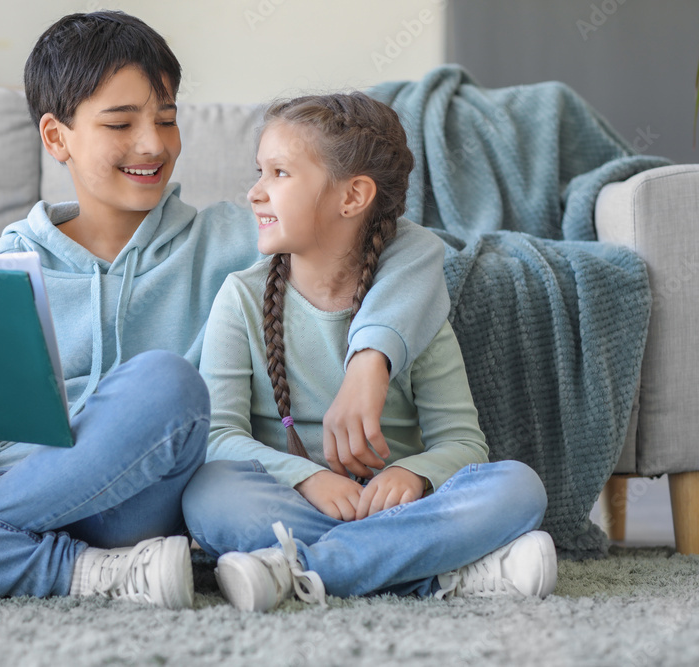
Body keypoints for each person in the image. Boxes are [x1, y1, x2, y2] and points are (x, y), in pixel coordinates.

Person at [0, 11, 449, 610]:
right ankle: (70, 572)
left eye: (167, 119)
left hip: (137, 502)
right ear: (57, 139)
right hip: (10, 483)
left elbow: (410, 245)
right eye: (121, 123)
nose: (153, 143)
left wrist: (371, 358)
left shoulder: (236, 238)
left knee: (167, 384)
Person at [182, 92, 557, 612]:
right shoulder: (240, 298)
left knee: (519, 487)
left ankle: (302, 569)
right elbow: (218, 438)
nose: (255, 192)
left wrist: (412, 474)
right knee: (208, 492)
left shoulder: (413, 309)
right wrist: (308, 478)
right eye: (258, 171)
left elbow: (465, 444)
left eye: (280, 173)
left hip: (395, 511)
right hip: (296, 506)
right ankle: (436, 572)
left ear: (353, 197)